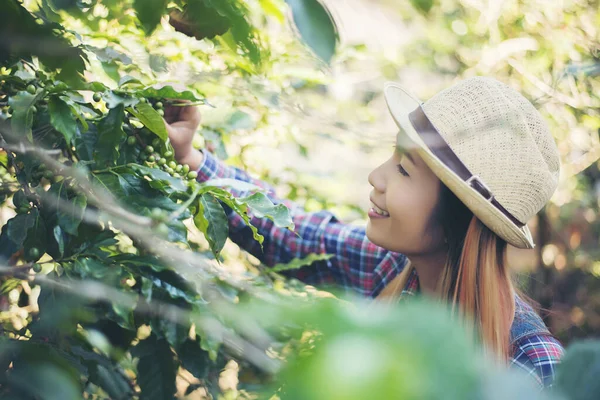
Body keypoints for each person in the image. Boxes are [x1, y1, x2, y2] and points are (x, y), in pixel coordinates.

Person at [163, 76, 564, 388]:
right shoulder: (391, 270)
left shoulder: (534, 368)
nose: (377, 177)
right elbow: (290, 234)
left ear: (460, 222)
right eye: (394, 157)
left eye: (405, 169)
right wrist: (189, 156)